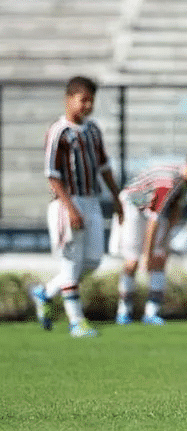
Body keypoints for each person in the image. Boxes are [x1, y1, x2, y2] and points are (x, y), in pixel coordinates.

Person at [31, 76, 124, 338]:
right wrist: (70, 208)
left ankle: (45, 292)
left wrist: (117, 197)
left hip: (91, 200)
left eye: (91, 100)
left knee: (93, 261)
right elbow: (52, 174)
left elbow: (104, 166)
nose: (87, 105)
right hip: (67, 202)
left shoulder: (93, 130)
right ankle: (76, 322)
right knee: (71, 262)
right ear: (69, 99)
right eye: (83, 99)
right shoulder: (59, 131)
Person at [112, 145, 187, 325]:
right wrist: (147, 254)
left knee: (160, 258)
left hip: (151, 213)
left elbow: (175, 213)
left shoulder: (185, 184)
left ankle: (151, 313)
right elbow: (153, 219)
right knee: (133, 261)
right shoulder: (168, 182)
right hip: (132, 208)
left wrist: (164, 243)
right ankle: (123, 312)